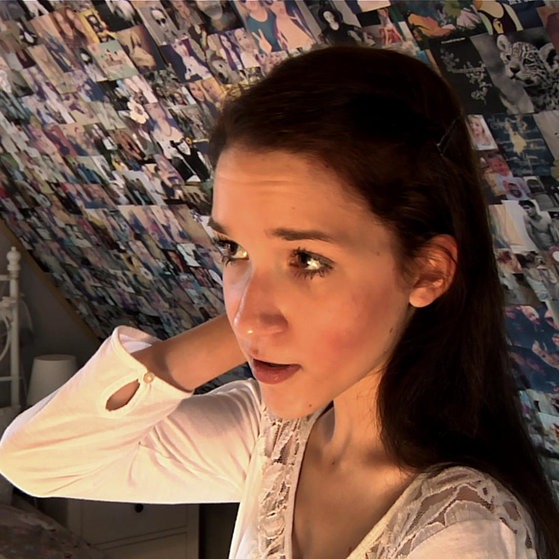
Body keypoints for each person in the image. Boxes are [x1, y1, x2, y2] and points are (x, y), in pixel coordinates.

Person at [1, 46, 559, 558]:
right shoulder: (274, 437)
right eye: (234, 249)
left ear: (427, 271)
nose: (247, 317)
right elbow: (35, 462)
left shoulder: (460, 533)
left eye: (308, 259)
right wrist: (222, 337)